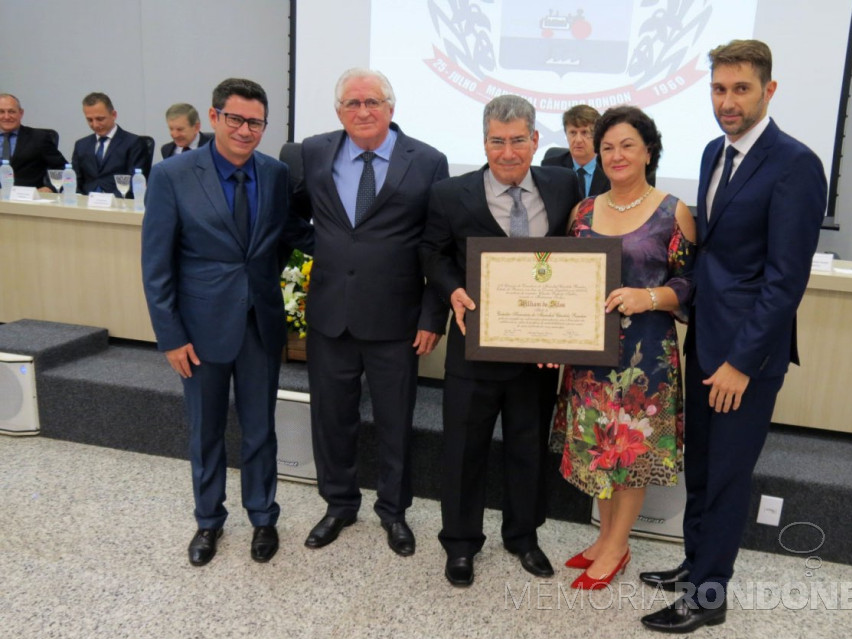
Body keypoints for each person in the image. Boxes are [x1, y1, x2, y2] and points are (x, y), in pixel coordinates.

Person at [639, 40, 827, 633]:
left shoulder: (796, 164)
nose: (727, 101)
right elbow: (716, 255)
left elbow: (784, 280)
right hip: (707, 343)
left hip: (747, 356)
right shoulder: (712, 153)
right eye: (719, 88)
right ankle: (696, 564)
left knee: (726, 476)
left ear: (768, 91)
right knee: (701, 468)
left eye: (740, 89)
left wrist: (742, 361)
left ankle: (708, 597)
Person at [141, 78, 313, 567]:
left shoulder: (275, 173)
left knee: (260, 429)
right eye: (235, 118)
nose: (245, 129)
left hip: (260, 325)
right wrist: (170, 335)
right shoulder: (172, 175)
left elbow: (286, 238)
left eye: (254, 122)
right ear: (214, 117)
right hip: (198, 331)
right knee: (206, 430)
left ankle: (263, 517)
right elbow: (156, 266)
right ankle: (208, 521)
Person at [420, 94, 579, 587]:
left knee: (528, 449)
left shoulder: (563, 185)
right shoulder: (450, 193)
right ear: (484, 141)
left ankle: (523, 538)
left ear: (534, 140)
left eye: (517, 141)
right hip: (476, 346)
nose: (507, 152)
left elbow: (578, 258)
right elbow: (433, 252)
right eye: (496, 141)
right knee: (464, 449)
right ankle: (461, 544)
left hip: (537, 352)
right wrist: (453, 290)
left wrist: (569, 332)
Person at [292, 68, 448, 557]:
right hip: (330, 315)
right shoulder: (313, 151)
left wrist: (430, 317)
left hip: (397, 321)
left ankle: (394, 511)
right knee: (331, 417)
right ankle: (338, 505)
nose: (363, 111)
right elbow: (293, 214)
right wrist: (323, 249)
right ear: (339, 111)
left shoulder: (426, 161)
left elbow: (439, 246)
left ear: (391, 108)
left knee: (395, 420)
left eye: (373, 103)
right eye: (353, 103)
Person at [551, 106, 695, 591]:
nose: (616, 155)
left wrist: (648, 297)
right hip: (591, 354)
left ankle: (616, 543)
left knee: (629, 450)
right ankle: (606, 537)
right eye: (607, 146)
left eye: (627, 145)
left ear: (648, 151)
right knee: (598, 447)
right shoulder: (583, 211)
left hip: (645, 356)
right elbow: (568, 279)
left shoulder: (671, 211)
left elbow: (691, 284)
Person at [71, 92, 149, 196]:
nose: (95, 124)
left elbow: (136, 181)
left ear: (113, 115)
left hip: (119, 202)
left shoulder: (134, 143)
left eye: (100, 119)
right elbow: (74, 179)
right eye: (89, 120)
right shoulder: (81, 145)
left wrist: (111, 201)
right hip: (86, 203)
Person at [0, 93, 68, 191]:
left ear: (21, 113)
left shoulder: (39, 138)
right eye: (1, 112)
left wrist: (50, 188)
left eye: (11, 111)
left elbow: (63, 168)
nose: (6, 117)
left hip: (27, 198)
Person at [541, 104, 610, 197]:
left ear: (597, 135)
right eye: (573, 133)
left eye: (584, 132)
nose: (578, 140)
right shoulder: (550, 168)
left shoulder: (610, 167)